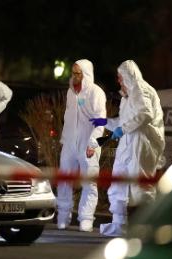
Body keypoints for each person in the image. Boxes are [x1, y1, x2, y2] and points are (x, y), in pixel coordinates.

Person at [90, 60, 165, 236]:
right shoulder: (129, 96)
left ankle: (148, 227)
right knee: (119, 183)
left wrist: (122, 129)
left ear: (129, 77)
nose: (119, 81)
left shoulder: (141, 89)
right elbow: (124, 122)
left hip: (142, 143)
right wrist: (105, 122)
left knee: (141, 186)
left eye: (120, 78)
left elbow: (145, 115)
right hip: (128, 143)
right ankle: (119, 225)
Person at [57, 59, 106, 231]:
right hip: (70, 144)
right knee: (64, 180)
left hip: (88, 144)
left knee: (89, 182)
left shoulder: (96, 93)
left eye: (78, 73)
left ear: (86, 74)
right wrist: (65, 140)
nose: (75, 76)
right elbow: (68, 117)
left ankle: (86, 219)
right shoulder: (71, 92)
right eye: (74, 73)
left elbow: (100, 121)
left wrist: (93, 143)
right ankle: (63, 215)